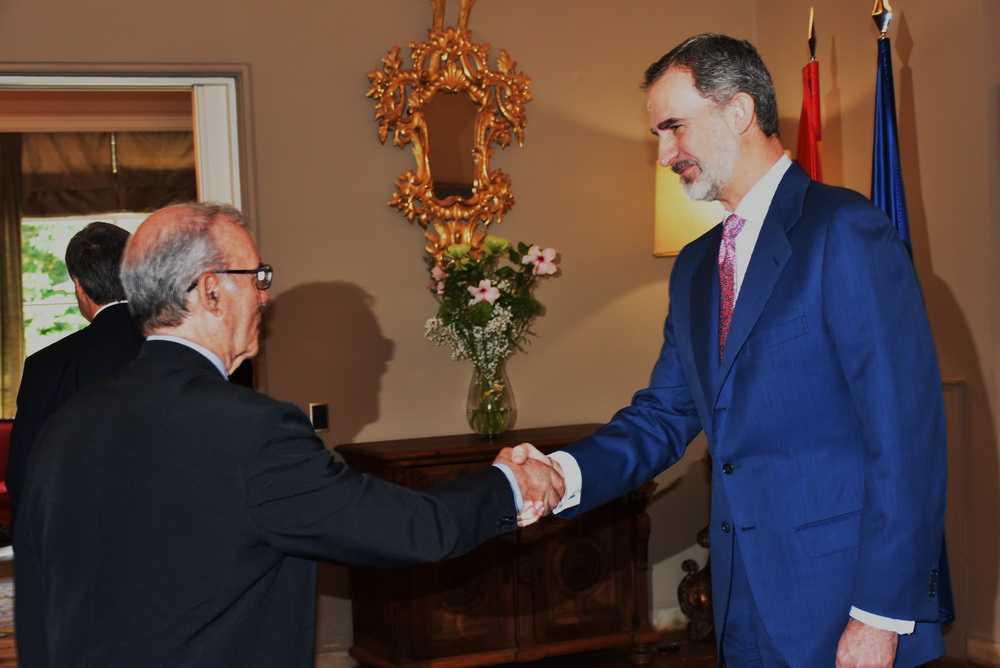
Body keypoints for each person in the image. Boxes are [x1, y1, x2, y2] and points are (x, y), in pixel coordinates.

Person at [499, 34, 948, 668]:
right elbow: (661, 416)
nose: (664, 154)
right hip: (740, 606)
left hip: (847, 607)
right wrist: (558, 473)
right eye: (658, 134)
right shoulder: (694, 267)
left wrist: (878, 617)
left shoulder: (845, 230)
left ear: (739, 111)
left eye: (674, 127)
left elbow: (906, 438)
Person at [14, 202, 561, 667]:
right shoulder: (252, 429)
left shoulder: (66, 424)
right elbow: (410, 530)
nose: (264, 296)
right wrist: (510, 484)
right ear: (211, 291)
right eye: (257, 278)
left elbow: (35, 591)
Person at [6, 222, 144, 529]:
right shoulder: (184, 346)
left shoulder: (48, 366)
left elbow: (27, 474)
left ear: (78, 285)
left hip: (84, 533)